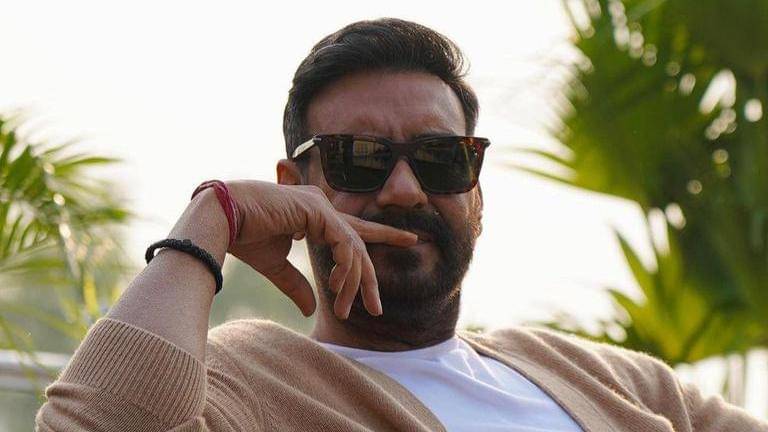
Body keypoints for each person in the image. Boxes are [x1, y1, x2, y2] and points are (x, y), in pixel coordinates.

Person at [36, 18, 766, 432]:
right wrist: (211, 216)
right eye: (359, 159)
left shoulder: (602, 377)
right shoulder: (244, 382)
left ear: (477, 193)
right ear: (294, 190)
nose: (405, 190)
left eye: (442, 159)